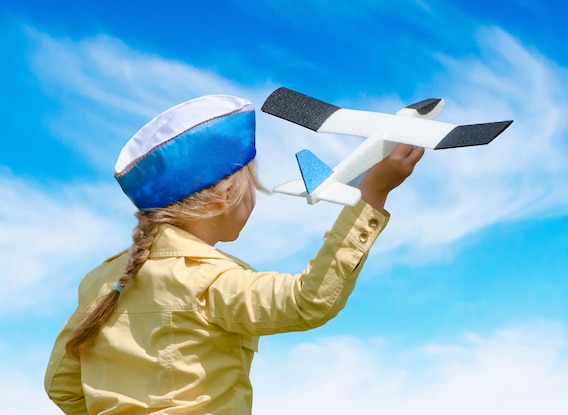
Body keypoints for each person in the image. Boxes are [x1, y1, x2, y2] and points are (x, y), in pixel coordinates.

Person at [44, 94, 425, 415]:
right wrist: (372, 196)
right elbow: (308, 301)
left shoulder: (99, 281)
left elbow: (61, 386)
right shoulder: (210, 280)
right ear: (226, 198)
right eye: (252, 185)